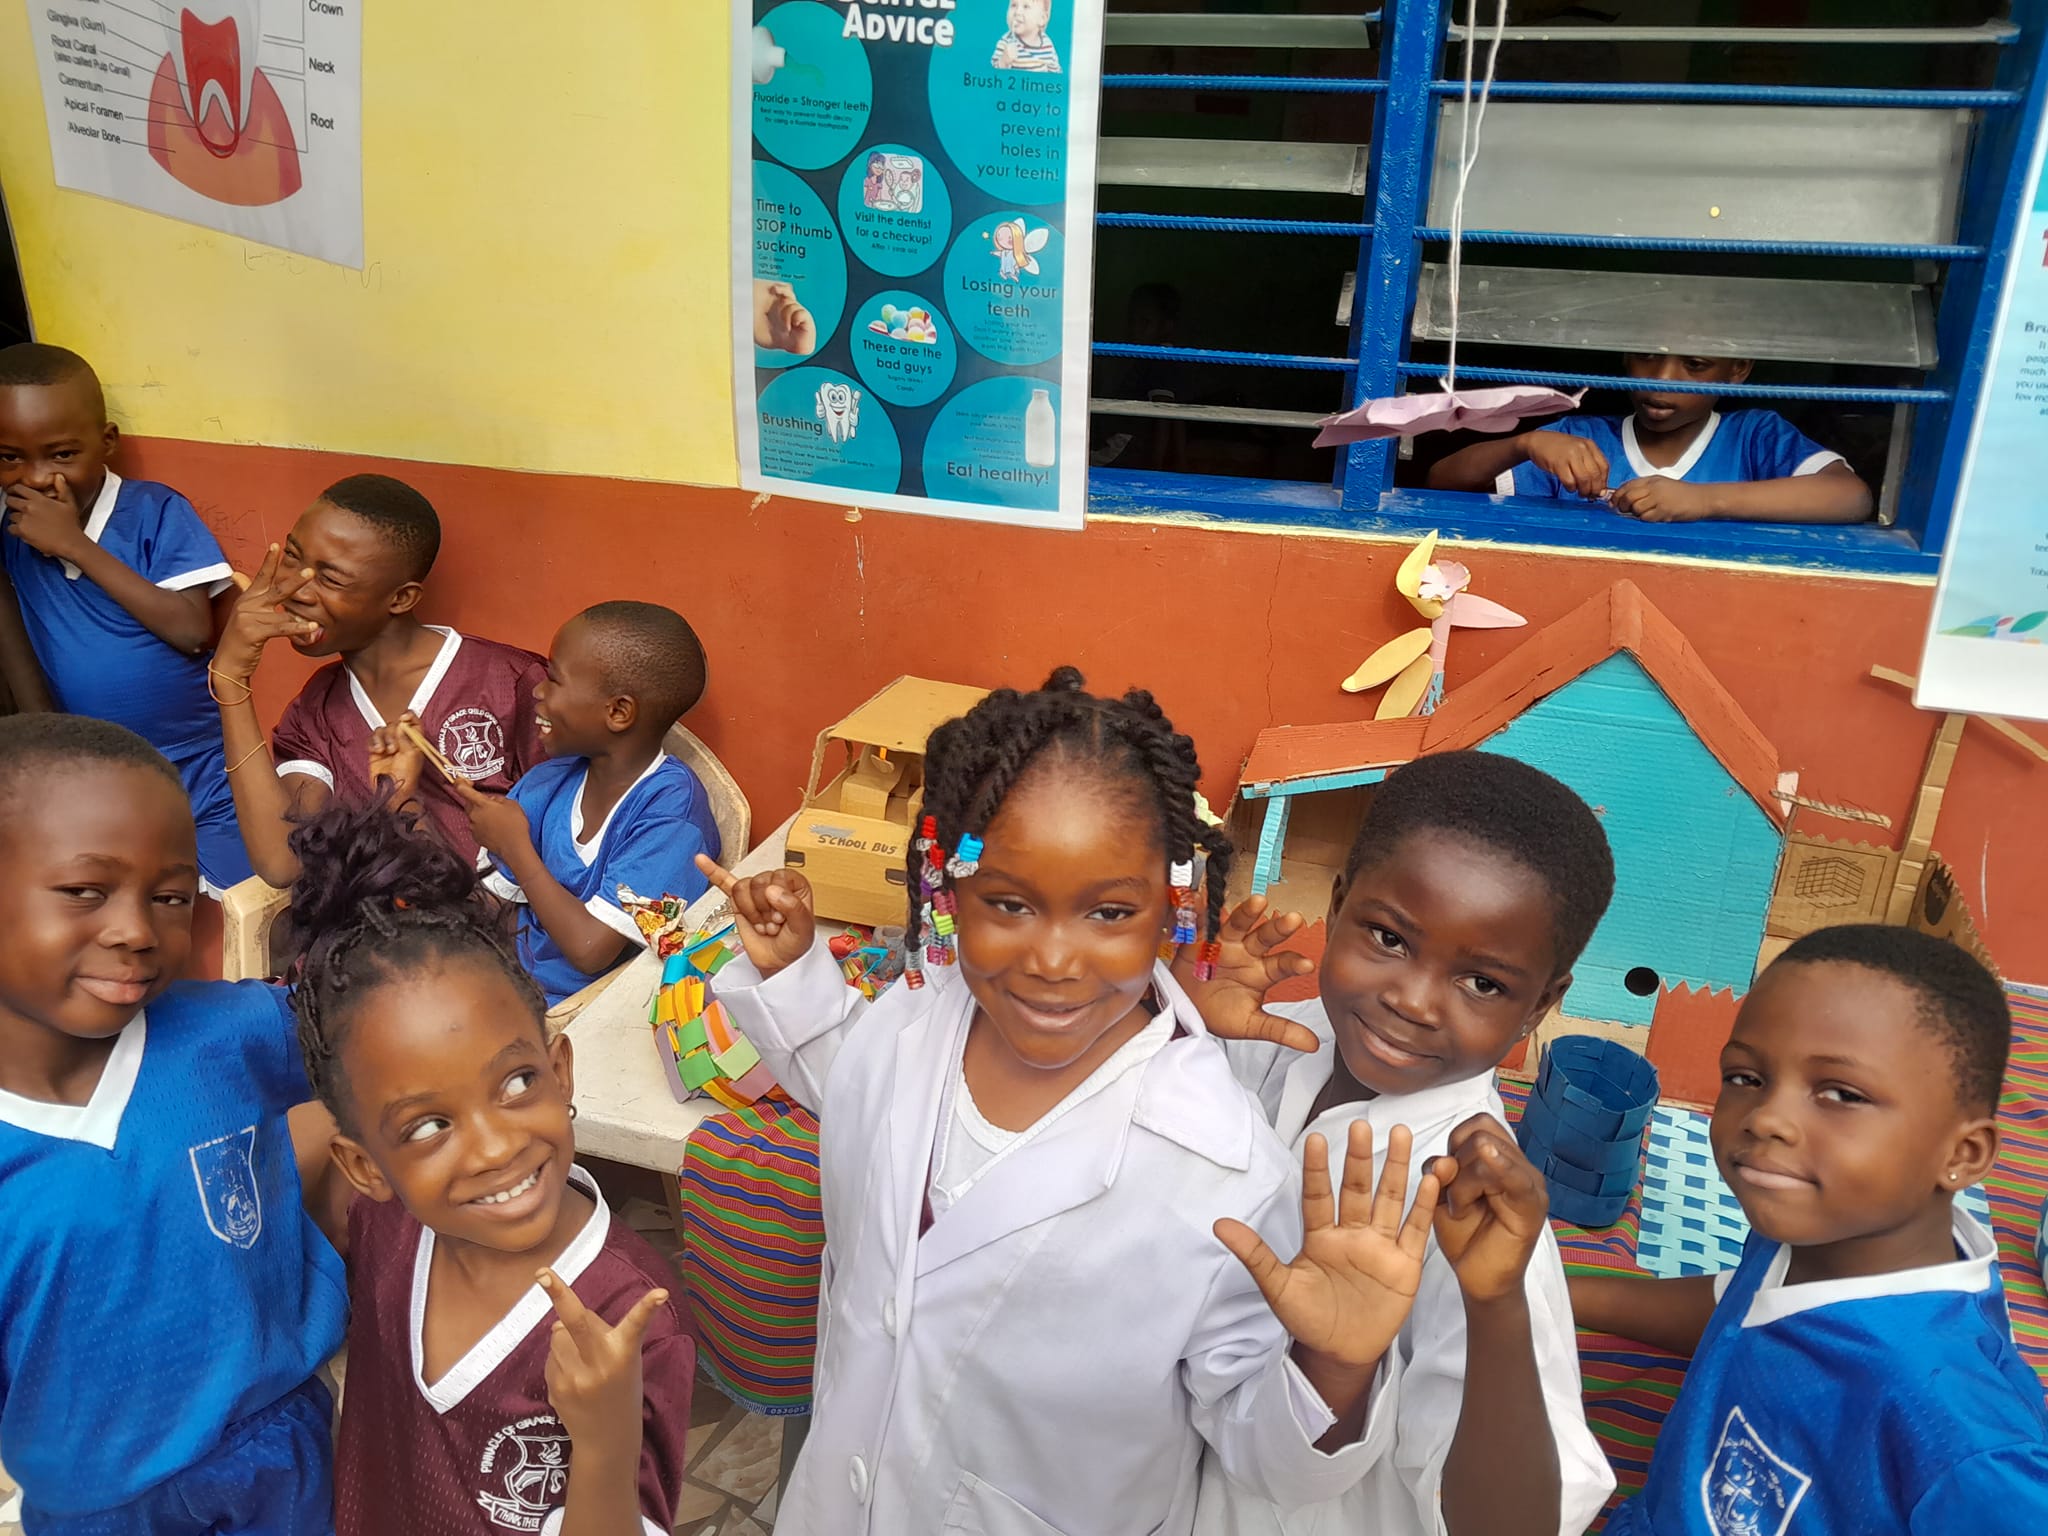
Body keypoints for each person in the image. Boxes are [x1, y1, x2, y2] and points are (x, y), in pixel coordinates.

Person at [695, 668, 1451, 1536]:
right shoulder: (914, 1013)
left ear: (1172, 912)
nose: (1053, 959)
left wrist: (1335, 1368)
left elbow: (1268, 1456)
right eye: (1009, 904)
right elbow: (856, 1086)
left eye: (1108, 913)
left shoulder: (1225, 1170)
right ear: (946, 890)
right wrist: (794, 977)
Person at [1181, 750, 1618, 1536]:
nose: (1411, 1000)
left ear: (1539, 1005)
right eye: (1387, 937)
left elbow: (1517, 1525)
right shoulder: (1273, 1041)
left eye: (1482, 983)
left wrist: (1492, 1307)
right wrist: (1176, 1024)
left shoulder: (1469, 1211)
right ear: (1339, 904)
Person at [287, 793, 696, 1535]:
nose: (496, 1145)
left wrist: (603, 1440)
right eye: (429, 1125)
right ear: (365, 1166)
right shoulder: (386, 1225)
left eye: (516, 1084)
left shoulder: (627, 1321)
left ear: (560, 1069)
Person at [1570, 925, 2048, 1533]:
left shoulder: (1955, 1429)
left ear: (1963, 1153)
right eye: (1747, 1077)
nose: (1768, 1118)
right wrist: (1553, 1290)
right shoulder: (1823, 1229)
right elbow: (1744, 1307)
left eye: (1840, 1093)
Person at [0, 714, 346, 1535]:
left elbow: (391, 1030)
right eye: (86, 891)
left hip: (281, 1449)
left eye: (169, 897)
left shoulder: (231, 1029)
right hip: (99, 1504)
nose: (136, 930)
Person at [0, 343, 252, 893]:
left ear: (106, 442)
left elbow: (191, 632)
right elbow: (19, 657)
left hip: (202, 772)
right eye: (9, 457)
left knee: (227, 900)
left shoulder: (153, 512)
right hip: (96, 776)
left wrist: (75, 546)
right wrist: (52, 760)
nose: (37, 478)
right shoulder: (10, 535)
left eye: (62, 455)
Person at [210, 474, 546, 884]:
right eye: (294, 558)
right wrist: (231, 682)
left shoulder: (512, 682)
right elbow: (283, 862)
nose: (296, 588)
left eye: (331, 578)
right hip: (371, 939)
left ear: (401, 598)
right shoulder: (316, 710)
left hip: (499, 937)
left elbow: (567, 845)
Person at [460, 601, 721, 1005]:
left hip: (587, 1012)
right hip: (506, 985)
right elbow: (491, 905)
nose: (538, 691)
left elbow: (590, 949)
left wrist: (515, 847)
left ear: (618, 712)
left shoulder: (672, 814)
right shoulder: (548, 781)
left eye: (554, 679)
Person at [1428, 353, 1873, 525]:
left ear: (1738, 369)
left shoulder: (1753, 435)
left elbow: (1850, 498)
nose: (1660, 382)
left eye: (1694, 366)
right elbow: (1439, 483)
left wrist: (1703, 500)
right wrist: (1521, 445)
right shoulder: (1578, 438)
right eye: (1646, 358)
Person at [992, 0, 1062, 70]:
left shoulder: (1047, 44)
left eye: (1026, 6)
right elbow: (993, 75)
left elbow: (1055, 72)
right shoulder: (1005, 42)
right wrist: (1003, 62)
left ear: (1042, 19)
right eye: (1013, 5)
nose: (1017, 12)